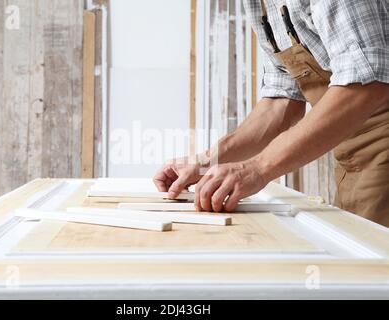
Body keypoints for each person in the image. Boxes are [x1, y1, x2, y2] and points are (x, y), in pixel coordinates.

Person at [153, 0, 389, 227]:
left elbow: (368, 85)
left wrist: (257, 169)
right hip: (353, 159)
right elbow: (282, 99)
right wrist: (206, 162)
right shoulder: (260, 4)